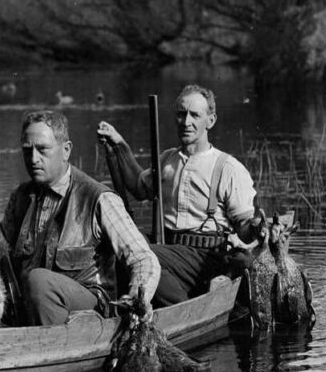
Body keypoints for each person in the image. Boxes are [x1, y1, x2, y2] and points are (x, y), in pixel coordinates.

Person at [96, 84, 257, 307]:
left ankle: (180, 308)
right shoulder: (167, 160)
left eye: (194, 115)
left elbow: (245, 227)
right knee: (124, 246)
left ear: (210, 121)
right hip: (168, 251)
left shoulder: (227, 168)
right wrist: (119, 145)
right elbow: (137, 187)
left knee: (141, 257)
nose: (186, 122)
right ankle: (177, 305)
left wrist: (257, 226)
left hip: (206, 258)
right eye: (181, 114)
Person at [1, 109, 160, 326]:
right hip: (33, 308)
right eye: (27, 151)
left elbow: (143, 258)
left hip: (90, 312)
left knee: (38, 280)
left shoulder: (98, 198)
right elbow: (0, 260)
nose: (33, 159)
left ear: (66, 150)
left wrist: (136, 300)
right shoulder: (20, 199)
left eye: (42, 149)